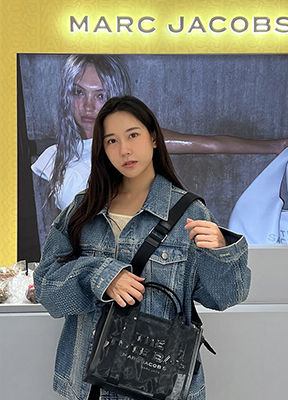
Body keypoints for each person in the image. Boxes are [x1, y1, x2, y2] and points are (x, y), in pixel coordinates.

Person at [33, 95, 251, 400]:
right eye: (111, 140)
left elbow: (224, 298)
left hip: (160, 388)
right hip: (89, 388)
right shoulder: (82, 210)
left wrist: (221, 251)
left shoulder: (189, 213)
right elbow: (46, 287)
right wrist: (101, 276)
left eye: (133, 135)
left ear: (153, 138)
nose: (124, 150)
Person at [31, 54, 288, 211]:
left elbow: (210, 144)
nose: (88, 106)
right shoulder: (54, 157)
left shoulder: (135, 140)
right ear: (66, 95)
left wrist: (274, 146)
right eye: (78, 92)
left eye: (100, 95)